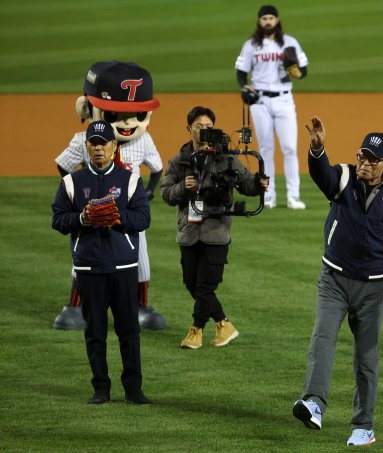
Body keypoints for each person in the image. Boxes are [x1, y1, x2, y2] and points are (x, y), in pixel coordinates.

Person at [293, 116, 383, 447]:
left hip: (374, 287)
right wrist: (316, 147)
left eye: (371, 159)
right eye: (361, 156)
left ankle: (364, 426)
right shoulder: (342, 178)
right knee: (322, 337)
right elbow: (321, 174)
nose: (364, 163)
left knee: (366, 355)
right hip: (334, 279)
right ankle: (314, 403)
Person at [53, 60, 166, 331]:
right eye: (115, 113)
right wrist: (76, 193)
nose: (128, 122)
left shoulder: (144, 141)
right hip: (92, 216)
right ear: (86, 107)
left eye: (138, 114)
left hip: (128, 215)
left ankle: (140, 307)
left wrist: (147, 194)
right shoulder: (84, 140)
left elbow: (158, 168)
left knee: (140, 259)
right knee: (84, 259)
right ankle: (76, 307)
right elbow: (64, 166)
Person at [51, 120, 152, 405]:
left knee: (129, 331)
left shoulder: (130, 179)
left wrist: (119, 218)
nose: (98, 148)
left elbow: (143, 218)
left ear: (114, 146)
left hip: (123, 266)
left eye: (103, 143)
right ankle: (101, 388)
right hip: (89, 266)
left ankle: (133, 389)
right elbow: (57, 220)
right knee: (95, 332)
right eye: (93, 143)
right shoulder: (71, 182)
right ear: (87, 146)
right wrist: (81, 219)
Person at [161, 106, 269, 349]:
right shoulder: (179, 161)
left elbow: (246, 184)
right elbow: (166, 195)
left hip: (216, 231)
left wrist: (259, 183)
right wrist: (183, 187)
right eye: (200, 126)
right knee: (192, 284)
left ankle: (196, 330)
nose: (205, 131)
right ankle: (224, 323)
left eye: (209, 127)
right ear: (189, 129)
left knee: (204, 286)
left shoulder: (226, 158)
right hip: (189, 232)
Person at [235, 4, 308, 210]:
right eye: (264, 18)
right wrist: (244, 86)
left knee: (290, 148)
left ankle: (293, 196)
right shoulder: (251, 45)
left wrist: (293, 70)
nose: (268, 21)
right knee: (266, 149)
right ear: (260, 21)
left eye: (271, 18)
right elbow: (241, 71)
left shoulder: (289, 43)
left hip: (284, 99)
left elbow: (303, 72)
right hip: (260, 101)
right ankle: (268, 195)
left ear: (277, 20)